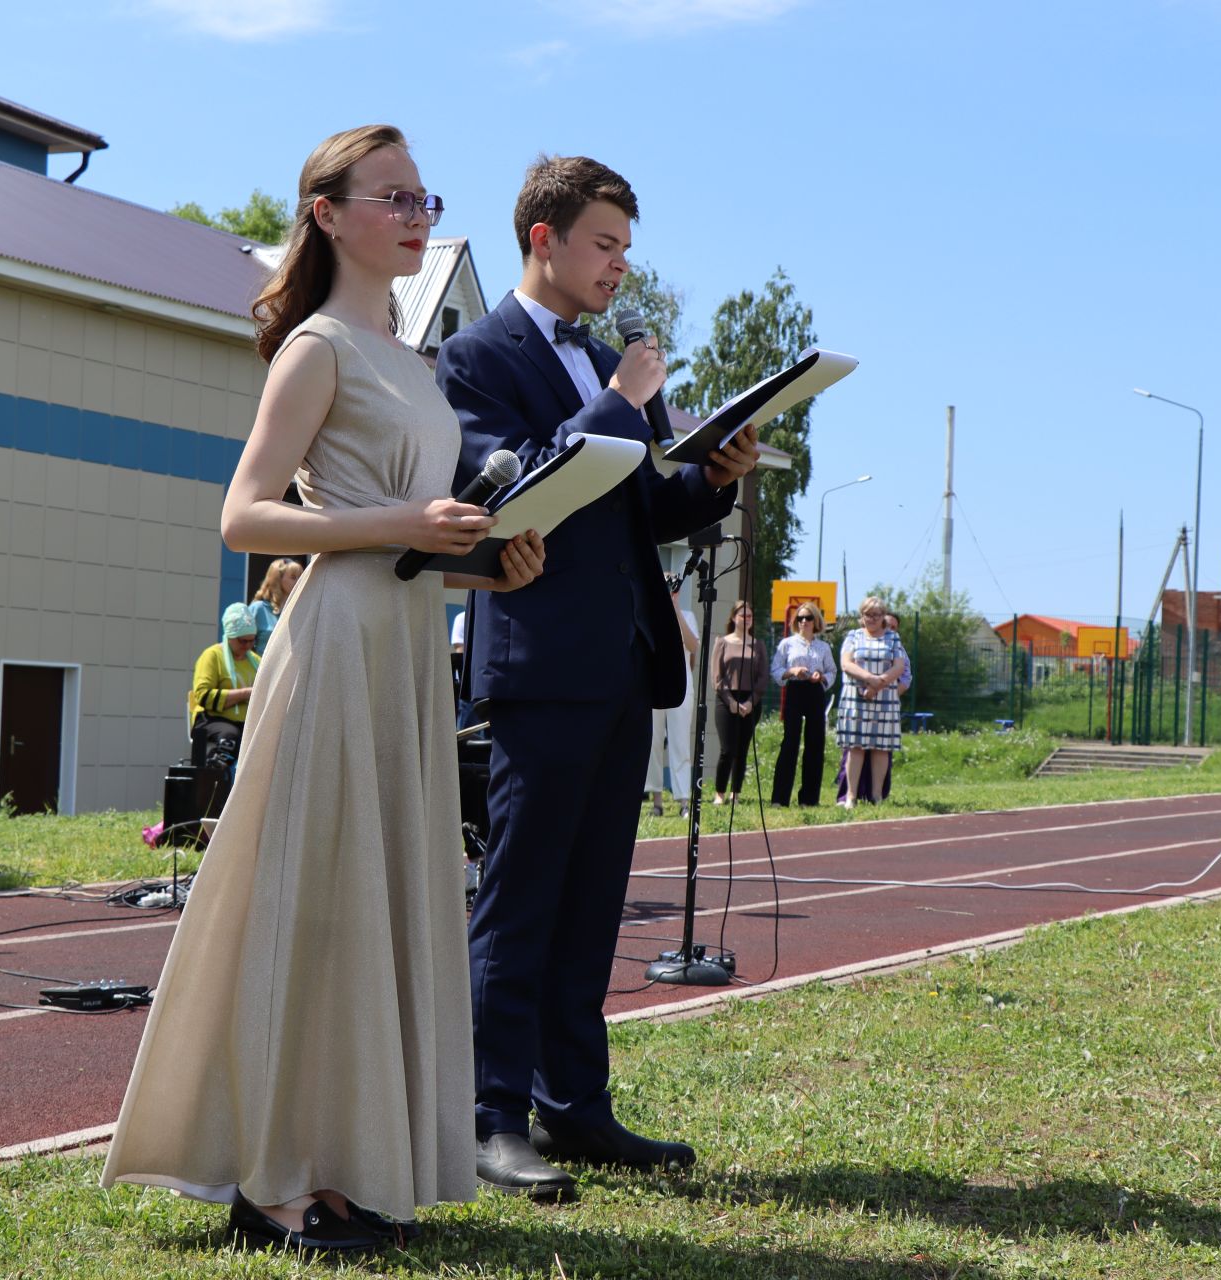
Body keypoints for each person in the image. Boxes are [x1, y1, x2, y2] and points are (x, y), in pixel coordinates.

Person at [102, 125, 547, 1255]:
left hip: (402, 636)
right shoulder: (315, 348)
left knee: (371, 901)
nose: (415, 213)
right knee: (311, 899)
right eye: (392, 196)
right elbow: (245, 514)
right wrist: (405, 524)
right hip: (339, 637)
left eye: (421, 195)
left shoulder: (409, 351)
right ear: (327, 212)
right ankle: (272, 1179)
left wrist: (482, 556)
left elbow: (404, 528)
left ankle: (338, 1165)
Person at [436, 153, 758, 1200]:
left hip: (623, 660)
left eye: (626, 246)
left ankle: (574, 1104)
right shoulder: (477, 355)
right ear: (545, 240)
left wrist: (710, 478)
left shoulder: (608, 366)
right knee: (521, 900)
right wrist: (624, 400)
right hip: (538, 663)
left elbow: (636, 513)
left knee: (593, 900)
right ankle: (491, 1115)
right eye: (605, 243)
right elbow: (515, 490)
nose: (621, 265)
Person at [187, 602, 261, 818]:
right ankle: (210, 798)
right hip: (212, 720)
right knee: (230, 738)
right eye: (243, 641)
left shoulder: (256, 661)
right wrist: (245, 693)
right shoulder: (212, 656)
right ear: (229, 635)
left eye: (252, 640)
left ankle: (245, 807)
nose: (248, 645)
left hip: (244, 722)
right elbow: (203, 695)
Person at [836, 596, 905, 809]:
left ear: (883, 616)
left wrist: (878, 684)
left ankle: (876, 796)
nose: (872, 619)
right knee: (855, 746)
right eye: (868, 614)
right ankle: (851, 796)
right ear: (861, 616)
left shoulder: (893, 638)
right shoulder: (853, 636)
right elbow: (846, 664)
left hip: (884, 698)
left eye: (876, 615)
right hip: (856, 698)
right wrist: (869, 679)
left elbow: (899, 666)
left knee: (880, 747)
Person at [770, 605, 836, 807]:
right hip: (795, 691)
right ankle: (780, 799)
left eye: (807, 618)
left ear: (815, 621)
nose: (803, 621)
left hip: (815, 692)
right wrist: (792, 671)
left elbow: (832, 671)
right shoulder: (787, 644)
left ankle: (809, 798)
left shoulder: (823, 647)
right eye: (800, 618)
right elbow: (776, 668)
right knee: (790, 742)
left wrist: (822, 676)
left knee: (815, 744)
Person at [645, 587, 699, 818]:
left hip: (681, 686)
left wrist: (675, 609)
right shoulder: (649, 613)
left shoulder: (687, 615)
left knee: (680, 743)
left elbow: (693, 646)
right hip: (653, 684)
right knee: (653, 743)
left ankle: (684, 800)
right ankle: (656, 801)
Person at [710, 601, 768, 805]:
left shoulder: (758, 645)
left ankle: (736, 792)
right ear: (734, 617)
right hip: (726, 701)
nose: (746, 619)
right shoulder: (722, 642)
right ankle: (719, 792)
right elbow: (717, 677)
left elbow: (762, 678)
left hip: (750, 701)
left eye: (750, 616)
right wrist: (731, 702)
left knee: (742, 749)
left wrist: (751, 702)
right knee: (727, 749)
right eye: (742, 615)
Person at [247, 557, 302, 655]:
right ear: (277, 578)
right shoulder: (258, 609)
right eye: (293, 577)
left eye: (301, 577)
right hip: (261, 668)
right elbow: (243, 647)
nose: (299, 582)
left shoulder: (301, 611)